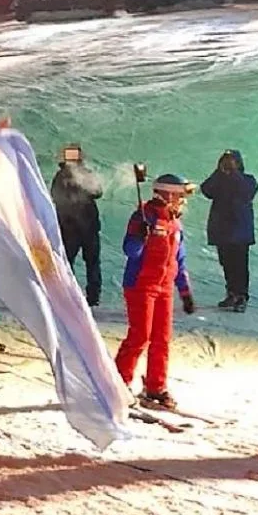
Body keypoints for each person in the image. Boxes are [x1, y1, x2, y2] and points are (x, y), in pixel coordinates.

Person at [115, 173, 196, 409]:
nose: (183, 200)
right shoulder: (143, 216)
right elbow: (130, 250)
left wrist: (185, 291)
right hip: (141, 285)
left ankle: (155, 387)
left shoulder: (174, 222)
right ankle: (118, 383)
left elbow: (179, 260)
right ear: (168, 193)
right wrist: (141, 235)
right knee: (140, 336)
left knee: (161, 338)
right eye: (180, 195)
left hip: (164, 288)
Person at [201, 149, 258, 312]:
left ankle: (241, 296)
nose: (227, 164)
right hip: (222, 230)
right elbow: (206, 190)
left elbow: (247, 192)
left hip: (240, 232)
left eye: (231, 161)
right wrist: (219, 173)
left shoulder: (248, 180)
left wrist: (233, 173)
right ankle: (232, 293)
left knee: (240, 265)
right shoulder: (219, 179)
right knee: (226, 263)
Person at [50, 143, 103, 307]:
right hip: (70, 227)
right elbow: (55, 196)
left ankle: (93, 297)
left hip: (89, 226)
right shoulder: (61, 177)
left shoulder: (86, 174)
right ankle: (69, 294)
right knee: (68, 262)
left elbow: (98, 192)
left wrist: (83, 185)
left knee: (92, 262)